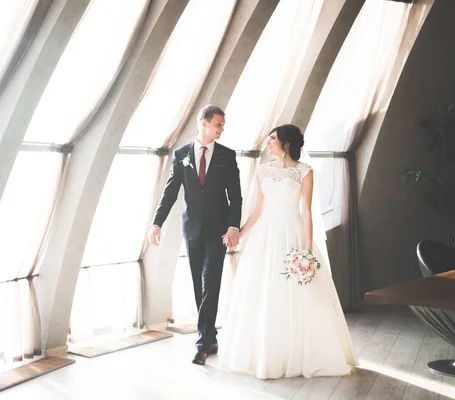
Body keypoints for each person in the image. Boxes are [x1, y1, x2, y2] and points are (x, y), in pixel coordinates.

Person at [218, 124, 358, 378]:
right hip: (265, 238)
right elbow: (260, 209)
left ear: (286, 143)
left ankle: (301, 354)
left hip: (292, 234)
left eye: (273, 138)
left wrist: (306, 249)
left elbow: (306, 211)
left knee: (300, 296)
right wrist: (239, 232)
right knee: (264, 294)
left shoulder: (304, 172)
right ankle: (266, 356)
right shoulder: (263, 171)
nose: (268, 142)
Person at [149, 104, 242, 365]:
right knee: (198, 286)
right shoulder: (181, 155)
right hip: (192, 230)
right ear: (204, 122)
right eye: (218, 124)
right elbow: (170, 192)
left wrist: (233, 226)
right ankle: (210, 336)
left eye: (223, 125)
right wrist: (157, 223)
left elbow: (235, 196)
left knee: (211, 283)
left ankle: (201, 344)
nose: (222, 129)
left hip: (219, 232)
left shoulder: (227, 155)